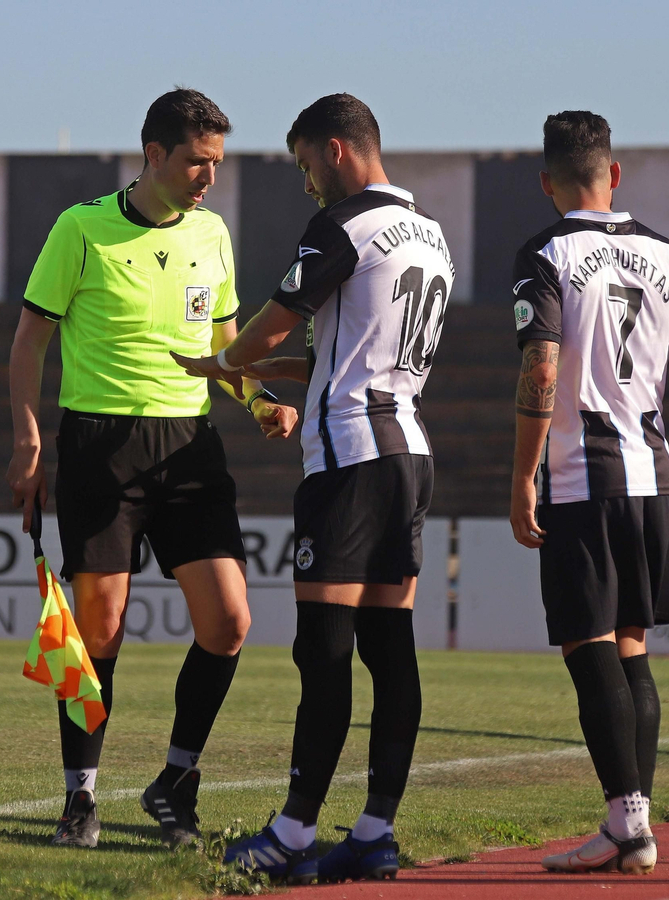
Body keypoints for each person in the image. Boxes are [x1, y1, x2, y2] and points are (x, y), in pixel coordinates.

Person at [6, 88, 298, 849]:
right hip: (101, 447)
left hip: (190, 446)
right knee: (97, 630)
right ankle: (80, 798)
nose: (209, 176)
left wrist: (260, 399)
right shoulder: (81, 228)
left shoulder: (213, 234)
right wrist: (28, 437)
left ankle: (174, 781)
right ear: (155, 153)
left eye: (217, 163)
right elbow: (29, 343)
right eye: (198, 161)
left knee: (230, 622)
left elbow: (225, 351)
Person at [176, 93, 454, 883]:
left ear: (336, 149)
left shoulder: (345, 225)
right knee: (389, 648)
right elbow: (344, 356)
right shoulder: (429, 234)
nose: (306, 184)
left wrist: (230, 361)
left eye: (305, 165)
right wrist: (246, 371)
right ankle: (375, 831)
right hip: (407, 453)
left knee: (323, 650)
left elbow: (269, 324)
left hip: (350, 461)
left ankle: (293, 836)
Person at [504, 111, 669, 875]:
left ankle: (628, 824)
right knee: (632, 645)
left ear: (547, 182)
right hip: (655, 475)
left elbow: (542, 365)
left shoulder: (547, 251)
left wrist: (524, 474)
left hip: (580, 475)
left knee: (587, 643)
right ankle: (633, 822)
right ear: (613, 173)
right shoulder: (668, 252)